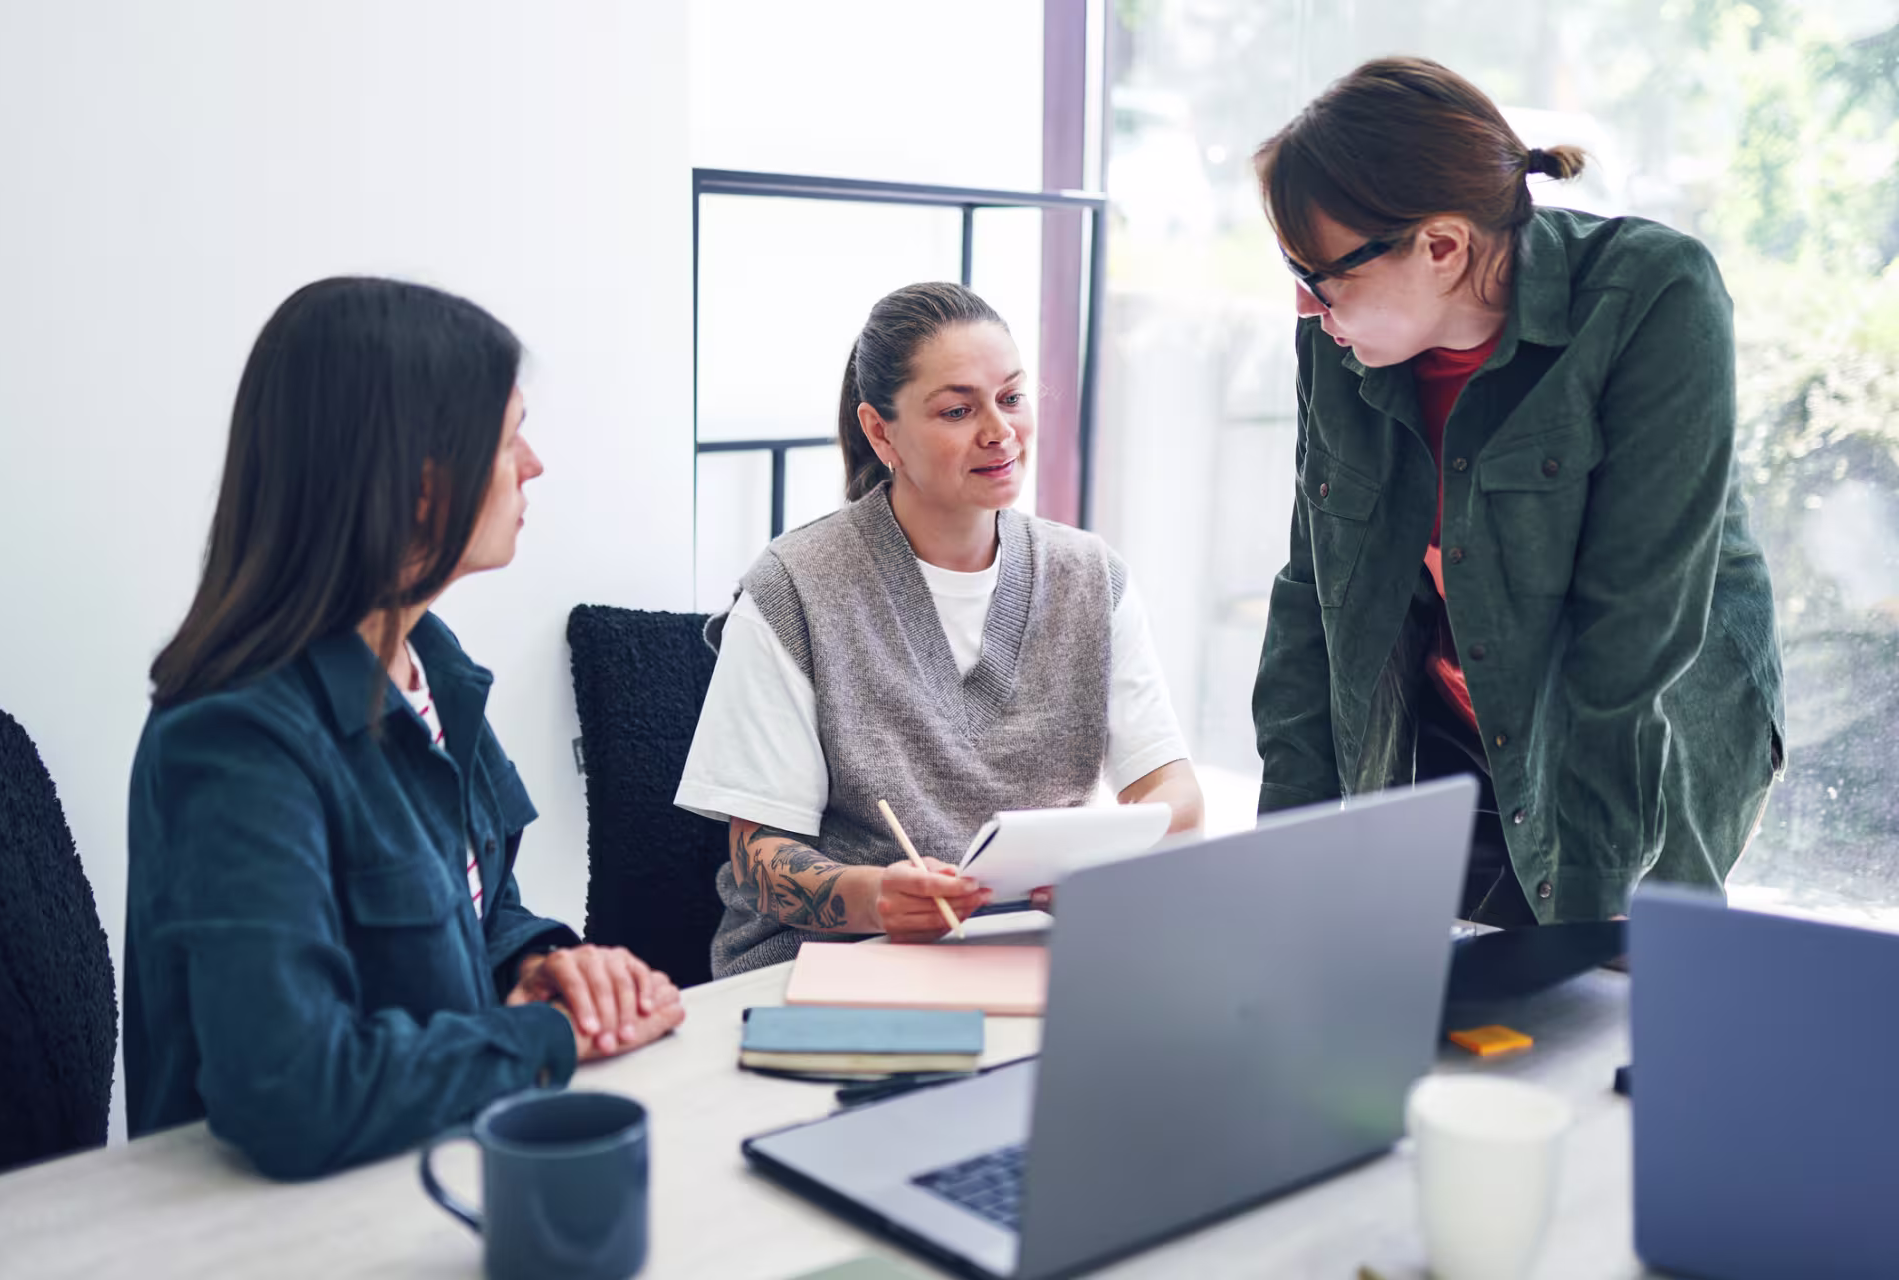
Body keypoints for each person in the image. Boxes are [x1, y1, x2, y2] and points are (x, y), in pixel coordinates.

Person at [124, 278, 684, 1179]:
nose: (534, 464)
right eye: (508, 439)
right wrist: (542, 1037)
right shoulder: (235, 734)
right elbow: (291, 1090)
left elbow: (477, 903)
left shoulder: (428, 657)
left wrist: (535, 965)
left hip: (435, 1159)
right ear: (423, 484)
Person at [1250, 57, 1784, 925]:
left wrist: (1588, 919)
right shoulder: (1343, 346)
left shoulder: (1653, 298)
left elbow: (1634, 639)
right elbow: (1314, 600)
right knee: (1428, 1006)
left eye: (1321, 273)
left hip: (1642, 746)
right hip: (1450, 719)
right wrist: (1282, 868)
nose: (1307, 306)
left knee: (1590, 1021)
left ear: (1443, 246)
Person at [678, 282, 1203, 976]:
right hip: (837, 965)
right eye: (957, 410)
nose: (999, 431)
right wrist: (875, 898)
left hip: (1032, 959)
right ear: (879, 430)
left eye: (1011, 398)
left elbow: (1178, 802)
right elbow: (759, 857)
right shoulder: (795, 588)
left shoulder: (1089, 578)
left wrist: (1104, 865)